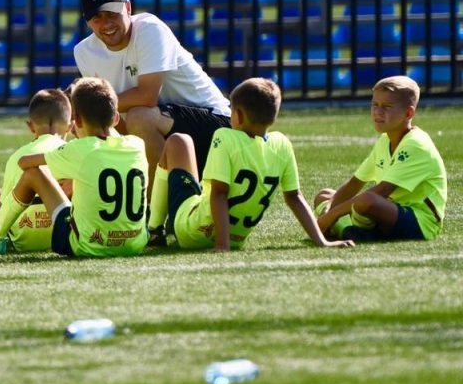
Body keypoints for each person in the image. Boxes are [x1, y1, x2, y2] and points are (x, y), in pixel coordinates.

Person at [73, 0, 231, 204]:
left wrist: (90, 107)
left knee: (139, 117)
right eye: (97, 17)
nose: (106, 23)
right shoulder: (83, 52)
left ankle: (159, 211)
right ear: (87, 21)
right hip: (166, 134)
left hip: (217, 129)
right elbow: (114, 119)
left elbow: (147, 97)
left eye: (112, 14)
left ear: (128, 7)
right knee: (87, 127)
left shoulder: (150, 29)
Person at [152, 77, 354, 252]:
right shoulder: (282, 144)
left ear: (238, 115)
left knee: (179, 141)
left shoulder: (224, 136)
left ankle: (153, 229)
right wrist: (322, 241)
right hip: (236, 239)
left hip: (192, 231)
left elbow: (220, 193)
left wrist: (222, 245)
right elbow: (295, 198)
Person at [0, 77, 149, 258]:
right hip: (135, 244)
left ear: (77, 121)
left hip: (87, 247)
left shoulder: (79, 149)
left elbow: (25, 163)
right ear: (115, 118)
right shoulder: (137, 145)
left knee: (34, 174)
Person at [315, 76, 447, 243]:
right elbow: (355, 183)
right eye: (374, 104)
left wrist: (331, 215)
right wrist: (329, 208)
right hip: (388, 212)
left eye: (387, 107)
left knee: (367, 201)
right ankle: (351, 232)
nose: (378, 111)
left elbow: (383, 191)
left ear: (408, 113)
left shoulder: (416, 144)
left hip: (420, 222)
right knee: (325, 196)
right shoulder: (385, 139)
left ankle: (346, 230)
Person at [0, 88, 73, 255]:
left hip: (23, 241)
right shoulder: (73, 153)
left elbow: (6, 205)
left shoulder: (17, 157)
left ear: (30, 126)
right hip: (68, 235)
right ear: (71, 126)